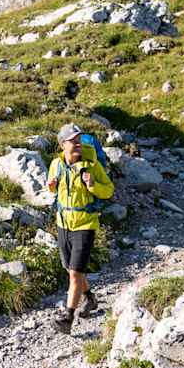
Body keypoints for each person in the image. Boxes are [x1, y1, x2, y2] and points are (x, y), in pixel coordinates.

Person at [47, 123, 115, 334]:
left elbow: (109, 191)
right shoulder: (55, 165)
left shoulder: (92, 166)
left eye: (79, 140)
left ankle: (67, 317)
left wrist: (93, 184)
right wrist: (51, 186)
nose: (77, 144)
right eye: (73, 141)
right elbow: (52, 191)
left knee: (75, 274)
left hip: (85, 223)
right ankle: (89, 298)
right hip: (63, 223)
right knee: (70, 269)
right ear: (62, 145)